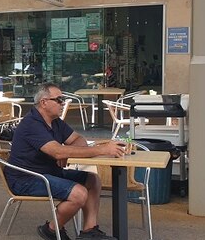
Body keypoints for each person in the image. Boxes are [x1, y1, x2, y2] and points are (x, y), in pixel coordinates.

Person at [7, 83, 123, 240]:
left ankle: (89, 231)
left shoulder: (55, 121)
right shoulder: (32, 123)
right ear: (44, 102)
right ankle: (51, 229)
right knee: (79, 194)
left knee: (92, 179)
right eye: (59, 100)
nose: (63, 103)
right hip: (26, 178)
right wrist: (102, 150)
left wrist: (65, 153)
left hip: (47, 172)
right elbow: (56, 151)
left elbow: (77, 139)